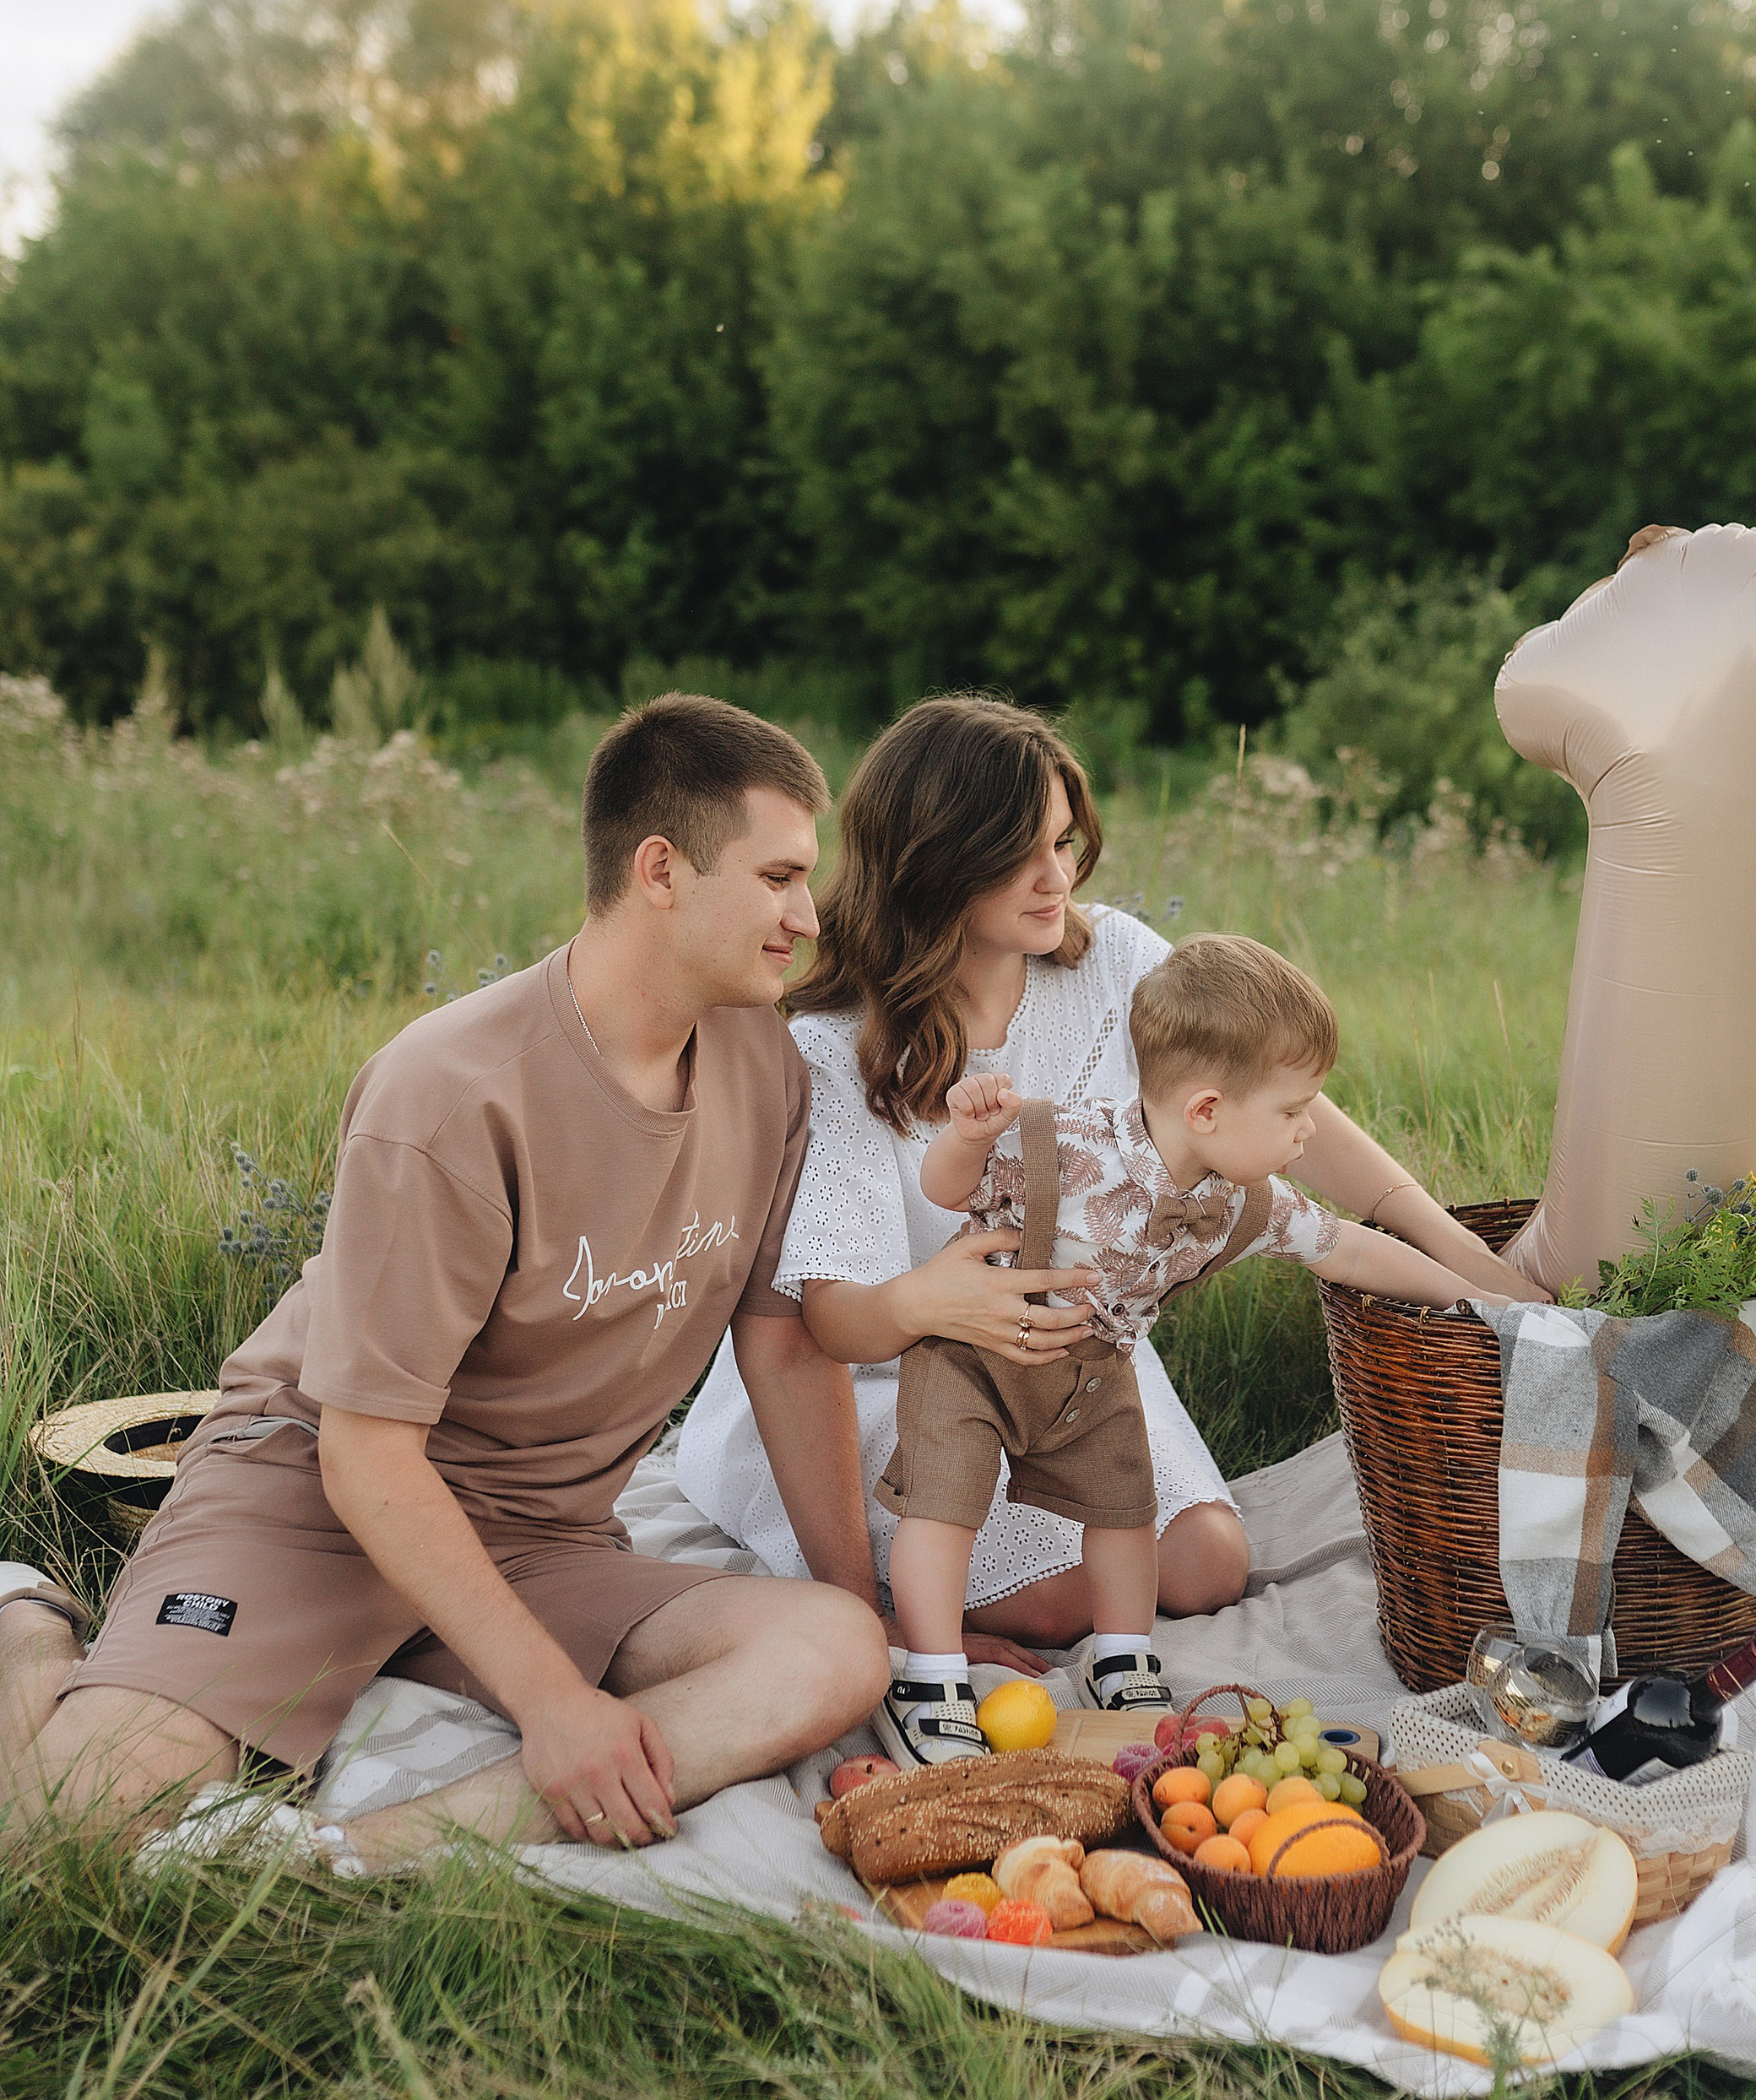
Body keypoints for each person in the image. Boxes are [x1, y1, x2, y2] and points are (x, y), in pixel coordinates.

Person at [0, 695, 889, 1865]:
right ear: (661, 870)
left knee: (832, 1651)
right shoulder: (451, 1090)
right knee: (63, 1830)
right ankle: (25, 1619)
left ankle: (333, 1862)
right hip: (318, 1505)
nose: (807, 916)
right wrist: (552, 1702)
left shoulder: (766, 1067)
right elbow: (366, 1452)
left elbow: (785, 1351)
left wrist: (881, 1621)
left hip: (540, 1538)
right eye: (778, 877)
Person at [667, 694, 1546, 1658]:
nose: (1058, 878)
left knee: (1206, 1567)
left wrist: (1468, 1259)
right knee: (1059, 1600)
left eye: (1063, 842)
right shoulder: (834, 1048)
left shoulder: (1115, 960)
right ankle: (921, 1607)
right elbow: (828, 1323)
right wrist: (868, 1617)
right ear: (936, 864)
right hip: (896, 1375)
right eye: (1020, 855)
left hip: (1072, 1361)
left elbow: (1284, 1108)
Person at [874, 936, 1516, 1761]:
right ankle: (931, 1673)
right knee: (944, 1504)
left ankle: (1121, 1653)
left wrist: (1475, 1297)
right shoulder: (1060, 1141)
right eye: (1293, 1111)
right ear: (1206, 1111)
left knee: (1124, 1508)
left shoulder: (1242, 1202)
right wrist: (967, 1138)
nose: (1307, 1131)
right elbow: (946, 1190)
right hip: (974, 1357)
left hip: (1091, 1374)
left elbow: (1349, 1250)